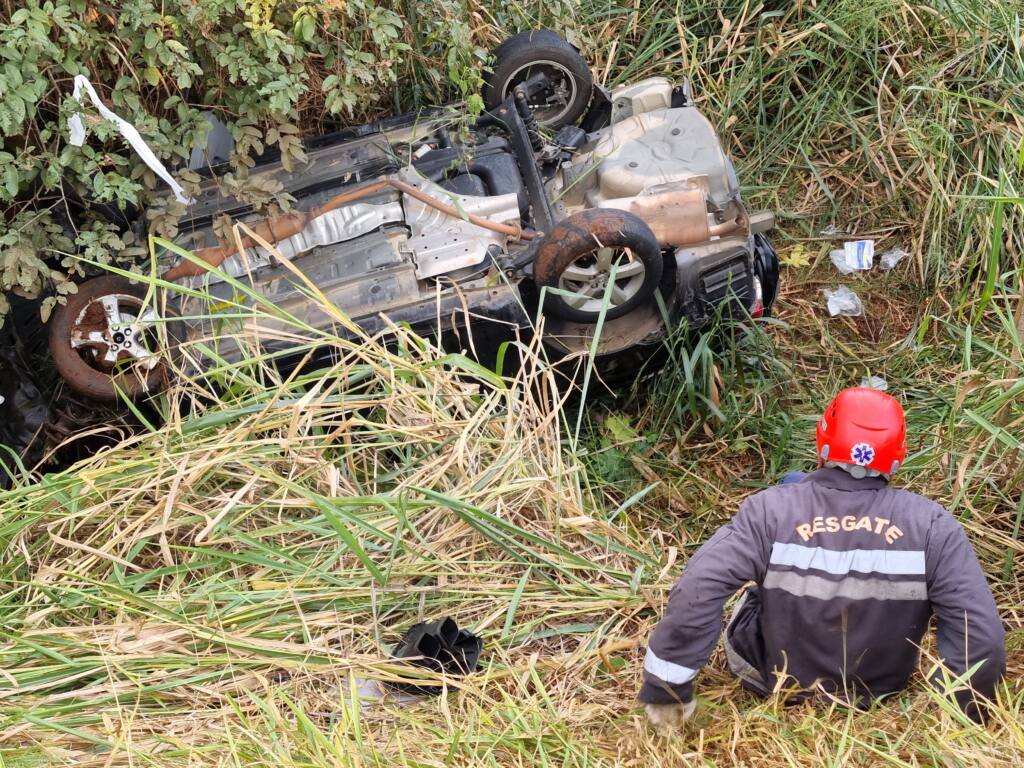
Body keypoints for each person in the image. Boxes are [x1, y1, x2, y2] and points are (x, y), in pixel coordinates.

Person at [640, 387, 1005, 728]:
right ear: (897, 456)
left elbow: (698, 590)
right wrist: (962, 715)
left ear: (824, 437)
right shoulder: (932, 526)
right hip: (878, 691)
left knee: (786, 498)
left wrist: (667, 690)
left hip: (772, 681)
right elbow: (980, 634)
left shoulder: (770, 511)